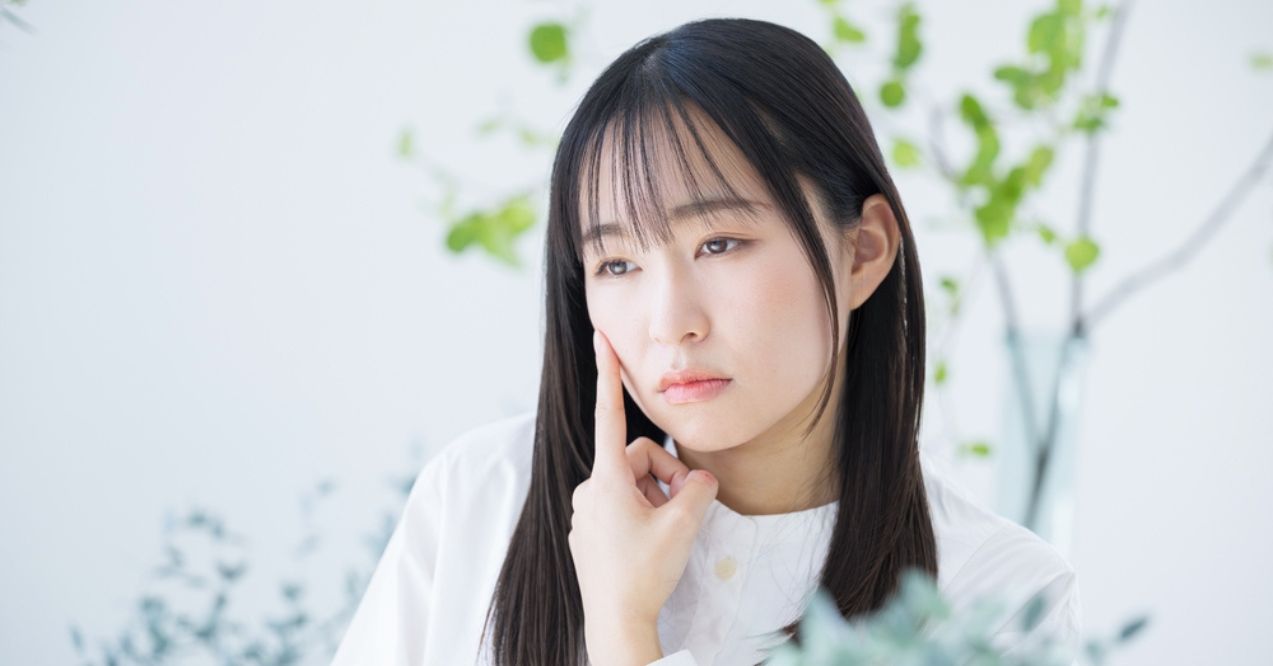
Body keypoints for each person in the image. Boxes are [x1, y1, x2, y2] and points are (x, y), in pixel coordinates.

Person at [331, 16, 1081, 666]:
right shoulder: (481, 498)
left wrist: (624, 628)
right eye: (617, 262)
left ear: (862, 251)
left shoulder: (998, 597)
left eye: (719, 243)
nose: (669, 323)